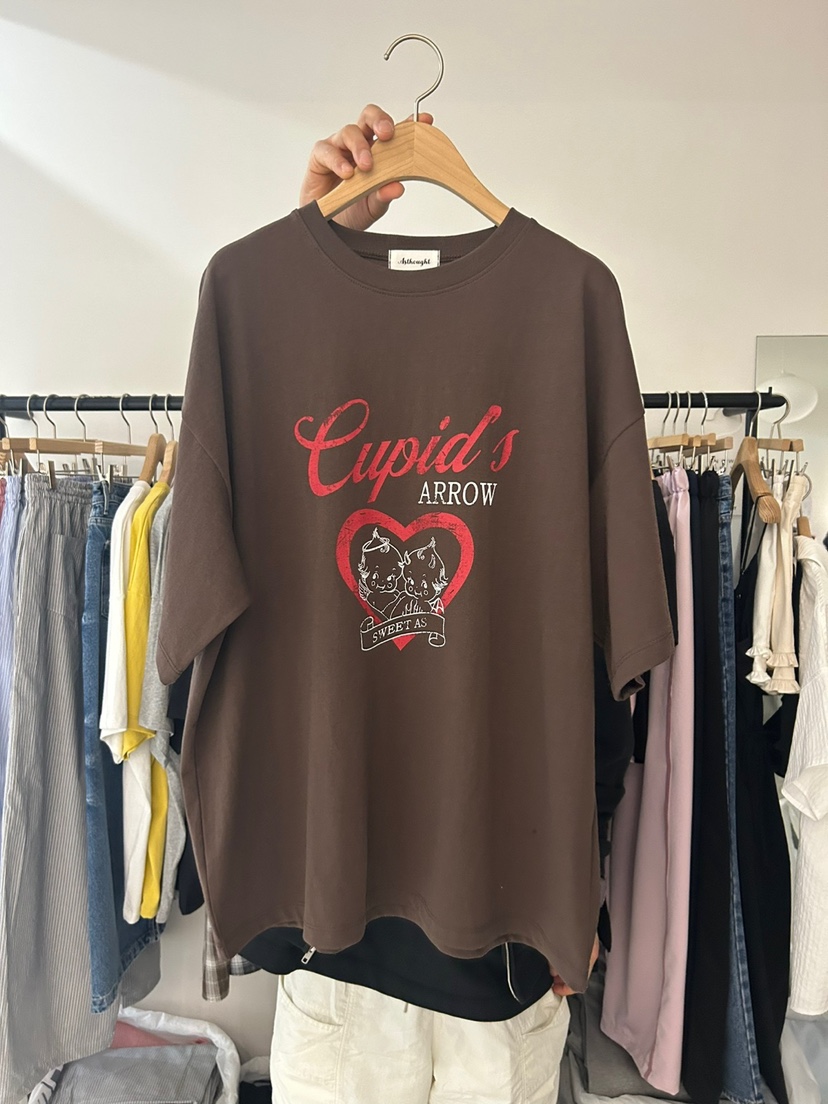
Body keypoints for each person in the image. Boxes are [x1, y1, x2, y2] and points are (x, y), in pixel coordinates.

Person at [246, 105, 617, 1104]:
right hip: (337, 947)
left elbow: (605, 644)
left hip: (503, 949)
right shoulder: (254, 306)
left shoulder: (572, 306)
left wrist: (575, 888)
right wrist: (309, 261)